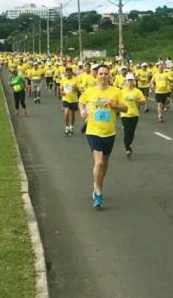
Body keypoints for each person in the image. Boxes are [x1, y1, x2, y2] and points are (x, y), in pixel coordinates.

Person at [78, 64, 127, 208]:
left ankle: (98, 183)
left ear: (109, 76)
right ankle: (98, 192)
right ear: (96, 75)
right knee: (98, 162)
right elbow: (81, 102)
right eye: (100, 73)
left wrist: (114, 105)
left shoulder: (116, 92)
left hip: (109, 132)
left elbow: (125, 108)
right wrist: (82, 112)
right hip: (93, 131)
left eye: (106, 73)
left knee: (105, 162)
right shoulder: (90, 91)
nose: (103, 76)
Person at [120, 73, 146, 158]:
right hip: (125, 114)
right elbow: (117, 101)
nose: (130, 82)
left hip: (134, 114)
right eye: (128, 80)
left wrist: (137, 100)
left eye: (131, 80)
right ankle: (127, 149)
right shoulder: (122, 91)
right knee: (127, 131)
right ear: (126, 81)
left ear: (134, 81)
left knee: (131, 132)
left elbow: (143, 102)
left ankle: (129, 144)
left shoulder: (137, 91)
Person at [60, 67, 79, 136]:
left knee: (72, 115)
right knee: (66, 113)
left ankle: (71, 127)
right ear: (65, 73)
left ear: (71, 73)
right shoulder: (63, 80)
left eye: (69, 72)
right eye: (67, 72)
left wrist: (76, 88)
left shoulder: (75, 80)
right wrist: (61, 93)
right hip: (66, 99)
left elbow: (78, 90)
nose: (68, 73)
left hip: (74, 99)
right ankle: (67, 127)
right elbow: (61, 89)